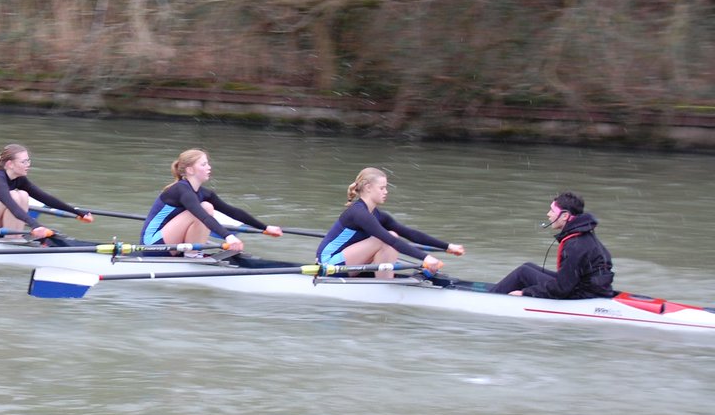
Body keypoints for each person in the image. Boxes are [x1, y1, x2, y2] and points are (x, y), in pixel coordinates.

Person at [317, 167, 464, 278]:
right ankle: (385, 287)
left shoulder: (377, 215)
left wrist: (448, 247)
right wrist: (426, 258)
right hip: (328, 264)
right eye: (382, 188)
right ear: (368, 188)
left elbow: (410, 233)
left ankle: (385, 283)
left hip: (348, 262)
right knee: (385, 238)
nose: (386, 192)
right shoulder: (358, 213)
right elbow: (389, 240)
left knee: (392, 234)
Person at [141, 149, 282, 254]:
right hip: (152, 244)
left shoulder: (203, 193)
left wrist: (265, 227)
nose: (209, 168)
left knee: (207, 206)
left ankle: (193, 254)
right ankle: (193, 256)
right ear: (190, 170)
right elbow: (203, 216)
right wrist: (229, 236)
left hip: (170, 240)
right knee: (206, 208)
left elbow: (232, 212)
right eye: (203, 164)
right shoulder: (181, 190)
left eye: (208, 164)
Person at [489, 191, 614, 298]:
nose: (548, 214)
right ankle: (496, 294)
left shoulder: (575, 245)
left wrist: (526, 293)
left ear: (565, 216)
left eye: (552, 210)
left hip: (583, 295)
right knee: (528, 266)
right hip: (588, 289)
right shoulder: (584, 235)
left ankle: (489, 299)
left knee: (523, 272)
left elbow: (562, 289)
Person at [0, 144, 93, 239]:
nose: (28, 164)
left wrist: (78, 213)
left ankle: (15, 237)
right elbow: (12, 206)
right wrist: (36, 226)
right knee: (14, 196)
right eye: (24, 161)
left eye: (28, 160)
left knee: (23, 194)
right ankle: (13, 240)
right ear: (10, 164)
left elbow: (45, 198)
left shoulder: (19, 179)